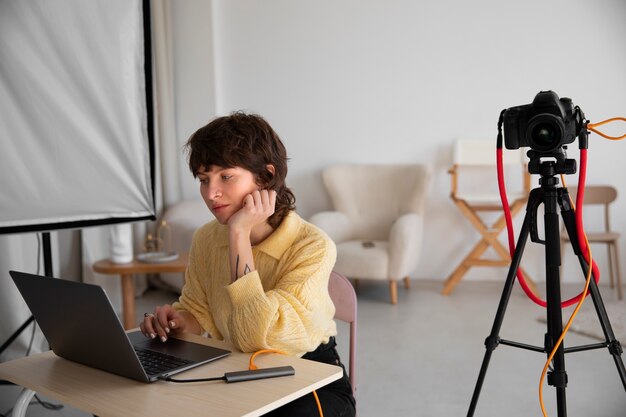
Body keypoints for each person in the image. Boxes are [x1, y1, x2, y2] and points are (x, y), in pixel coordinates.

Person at [140, 112, 356, 417]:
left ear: (266, 177)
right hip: (236, 369)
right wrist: (176, 323)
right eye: (204, 180)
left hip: (310, 379)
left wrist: (238, 234)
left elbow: (258, 337)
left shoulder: (313, 245)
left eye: (225, 176)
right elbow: (197, 310)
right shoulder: (206, 239)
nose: (211, 193)